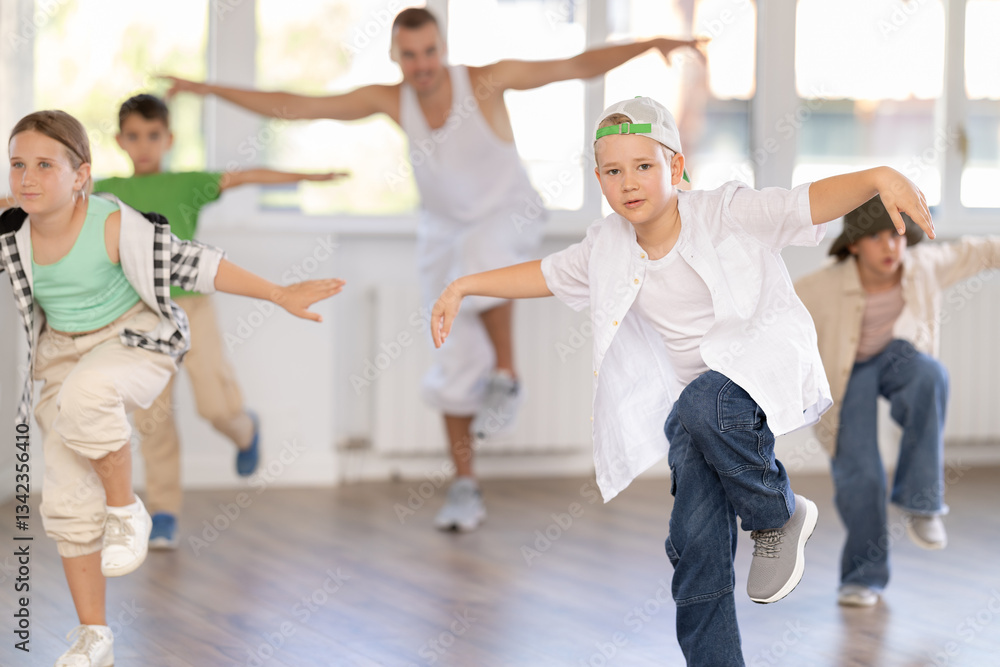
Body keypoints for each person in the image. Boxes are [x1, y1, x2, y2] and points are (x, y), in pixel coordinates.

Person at [429, 97, 936, 665]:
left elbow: (804, 203)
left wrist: (876, 176)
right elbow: (544, 275)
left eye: (644, 167)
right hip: (695, 417)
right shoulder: (606, 246)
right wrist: (465, 285)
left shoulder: (725, 212)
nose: (629, 183)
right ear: (600, 181)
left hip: (752, 379)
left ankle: (778, 513)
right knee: (693, 545)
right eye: (614, 172)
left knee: (702, 400)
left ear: (675, 168)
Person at [163, 7, 704, 532]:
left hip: (507, 216)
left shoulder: (486, 81)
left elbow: (576, 66)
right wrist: (208, 90)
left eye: (429, 53)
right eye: (409, 56)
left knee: (480, 258)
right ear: (396, 57)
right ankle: (465, 485)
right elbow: (296, 106)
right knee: (452, 359)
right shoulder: (393, 100)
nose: (421, 65)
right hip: (442, 234)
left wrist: (650, 44)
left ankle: (507, 375)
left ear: (442, 49)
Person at [3, 109, 344, 667]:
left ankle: (128, 510)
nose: (27, 178)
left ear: (81, 175)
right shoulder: (12, 234)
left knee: (91, 395)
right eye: (17, 165)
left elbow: (196, 263)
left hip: (134, 337)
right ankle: (95, 637)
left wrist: (279, 293)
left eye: (44, 164)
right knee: (64, 497)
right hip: (60, 355)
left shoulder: (112, 221)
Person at [94, 93, 348, 549]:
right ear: (120, 141)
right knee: (153, 419)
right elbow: (44, 197)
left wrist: (309, 176)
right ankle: (165, 511)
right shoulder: (107, 191)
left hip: (192, 307)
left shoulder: (189, 183)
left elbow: (250, 176)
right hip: (139, 314)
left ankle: (245, 429)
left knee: (214, 403)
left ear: (169, 138)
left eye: (153, 135)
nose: (144, 145)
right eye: (134, 136)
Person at [794, 196, 998, 607]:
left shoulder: (923, 268)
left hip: (896, 361)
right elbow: (774, 318)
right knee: (862, 474)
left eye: (896, 236)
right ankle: (862, 577)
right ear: (853, 244)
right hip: (846, 377)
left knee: (930, 374)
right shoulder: (821, 286)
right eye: (876, 238)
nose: (890, 248)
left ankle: (923, 503)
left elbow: (981, 252)